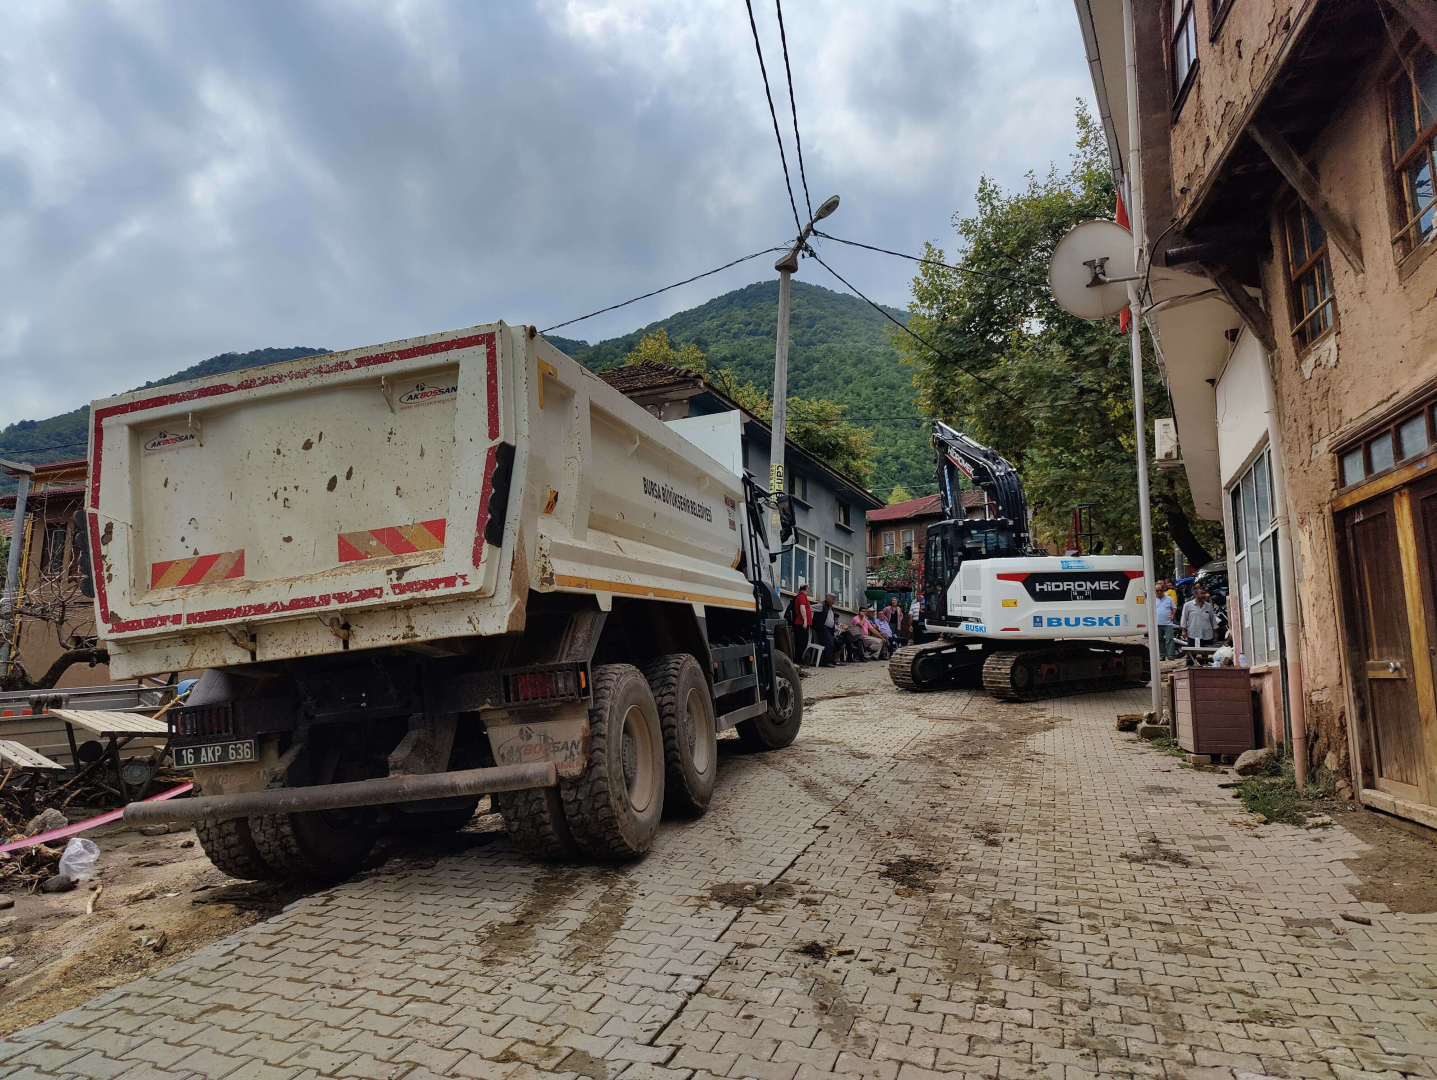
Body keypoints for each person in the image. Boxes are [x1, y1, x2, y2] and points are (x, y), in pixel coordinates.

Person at [1180, 586, 1219, 657]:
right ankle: (1190, 667)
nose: (1203, 595)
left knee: (1206, 655)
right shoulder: (1188, 605)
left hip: (1207, 634)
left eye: (1204, 593)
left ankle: (1205, 667)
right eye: (1201, 593)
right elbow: (1184, 619)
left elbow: (1212, 619)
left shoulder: (1209, 606)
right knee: (1191, 655)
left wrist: (1215, 631)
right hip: (1193, 634)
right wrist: (1183, 630)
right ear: (1195, 595)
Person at [1155, 578, 1178, 660]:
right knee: (1159, 640)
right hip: (1156, 623)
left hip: (1167, 622)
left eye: (1160, 590)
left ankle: (1170, 655)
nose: (1159, 592)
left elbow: (1174, 608)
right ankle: (1162, 655)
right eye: (1157, 591)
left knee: (1169, 639)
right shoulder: (1152, 599)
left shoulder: (1169, 598)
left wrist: (1173, 615)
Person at [792, 583, 813, 664]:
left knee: (801, 642)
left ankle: (799, 660)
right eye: (808, 588)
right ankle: (798, 660)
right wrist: (805, 621)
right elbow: (802, 609)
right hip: (800, 623)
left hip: (800, 623)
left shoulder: (801, 596)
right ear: (805, 589)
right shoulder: (802, 596)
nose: (809, 590)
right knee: (802, 642)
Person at [816, 593, 839, 666]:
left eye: (834, 599)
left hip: (829, 629)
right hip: (823, 628)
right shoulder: (822, 605)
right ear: (827, 598)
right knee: (829, 643)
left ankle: (830, 660)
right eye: (832, 599)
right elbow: (809, 608)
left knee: (834, 643)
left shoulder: (831, 609)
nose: (833, 601)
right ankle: (826, 662)